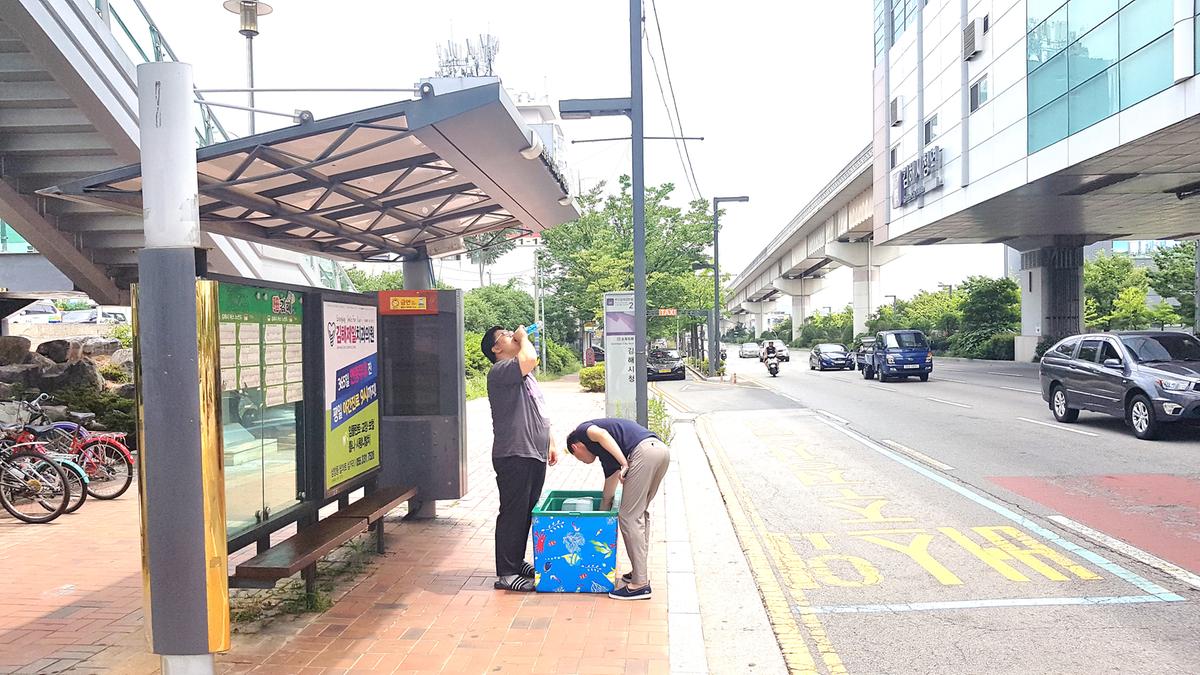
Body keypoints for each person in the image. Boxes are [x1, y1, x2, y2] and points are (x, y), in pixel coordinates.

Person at [481, 324, 558, 593]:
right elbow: (530, 358)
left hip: (532, 452)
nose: (512, 336)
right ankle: (506, 572)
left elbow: (539, 408)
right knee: (513, 512)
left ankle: (516, 560)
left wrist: (550, 440)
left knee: (526, 511)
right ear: (496, 348)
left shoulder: (523, 375)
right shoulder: (500, 370)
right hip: (514, 452)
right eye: (505, 335)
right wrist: (524, 336)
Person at [565, 418, 671, 600]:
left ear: (575, 448)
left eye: (578, 459)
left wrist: (624, 463)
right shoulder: (606, 454)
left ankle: (639, 584)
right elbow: (608, 494)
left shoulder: (582, 431)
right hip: (660, 451)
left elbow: (602, 434)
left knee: (628, 516)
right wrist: (598, 519)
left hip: (643, 453)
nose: (582, 462)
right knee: (638, 513)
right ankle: (640, 572)